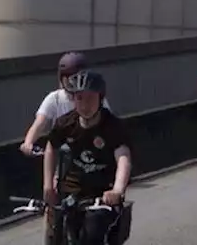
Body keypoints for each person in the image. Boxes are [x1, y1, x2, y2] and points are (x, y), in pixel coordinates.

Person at [42, 70, 132, 245]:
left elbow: (123, 158)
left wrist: (117, 190)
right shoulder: (65, 123)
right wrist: (47, 185)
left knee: (91, 236)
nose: (84, 104)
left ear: (100, 98)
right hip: (70, 192)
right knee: (55, 237)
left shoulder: (112, 126)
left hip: (100, 194)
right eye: (79, 98)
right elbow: (51, 147)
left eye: (90, 98)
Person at [22, 52, 114, 157]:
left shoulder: (95, 97)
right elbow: (39, 123)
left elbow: (109, 122)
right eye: (69, 80)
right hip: (64, 153)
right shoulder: (55, 99)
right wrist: (28, 142)